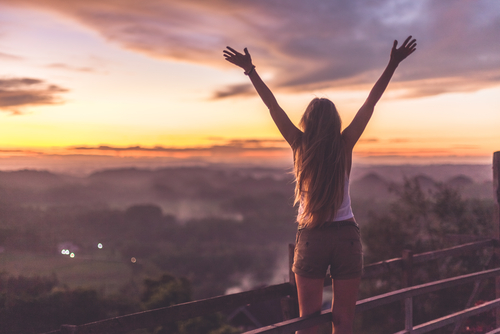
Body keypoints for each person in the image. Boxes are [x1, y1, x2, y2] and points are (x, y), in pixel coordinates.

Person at [223, 36, 417, 334]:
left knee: (308, 322)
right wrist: (392, 64)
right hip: (347, 238)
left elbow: (273, 106)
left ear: (308, 122)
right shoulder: (345, 144)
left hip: (312, 235)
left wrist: (251, 71)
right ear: (335, 121)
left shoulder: (300, 145)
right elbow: (371, 102)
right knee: (344, 322)